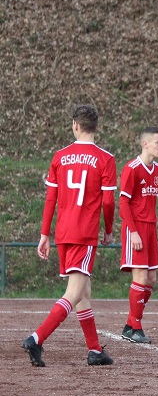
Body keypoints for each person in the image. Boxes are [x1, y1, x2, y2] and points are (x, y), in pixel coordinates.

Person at [21, 104, 117, 367]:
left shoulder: (59, 156)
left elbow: (50, 197)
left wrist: (44, 234)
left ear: (75, 125)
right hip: (84, 233)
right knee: (74, 292)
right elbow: (108, 202)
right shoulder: (105, 159)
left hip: (63, 232)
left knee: (84, 291)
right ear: (95, 126)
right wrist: (108, 229)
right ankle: (37, 338)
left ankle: (95, 350)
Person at [119, 126, 158, 343]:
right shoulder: (131, 168)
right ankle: (135, 328)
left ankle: (130, 322)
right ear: (145, 144)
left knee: (151, 278)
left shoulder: (156, 169)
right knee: (139, 277)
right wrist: (134, 232)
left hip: (150, 228)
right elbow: (123, 204)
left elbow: (150, 201)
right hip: (135, 228)